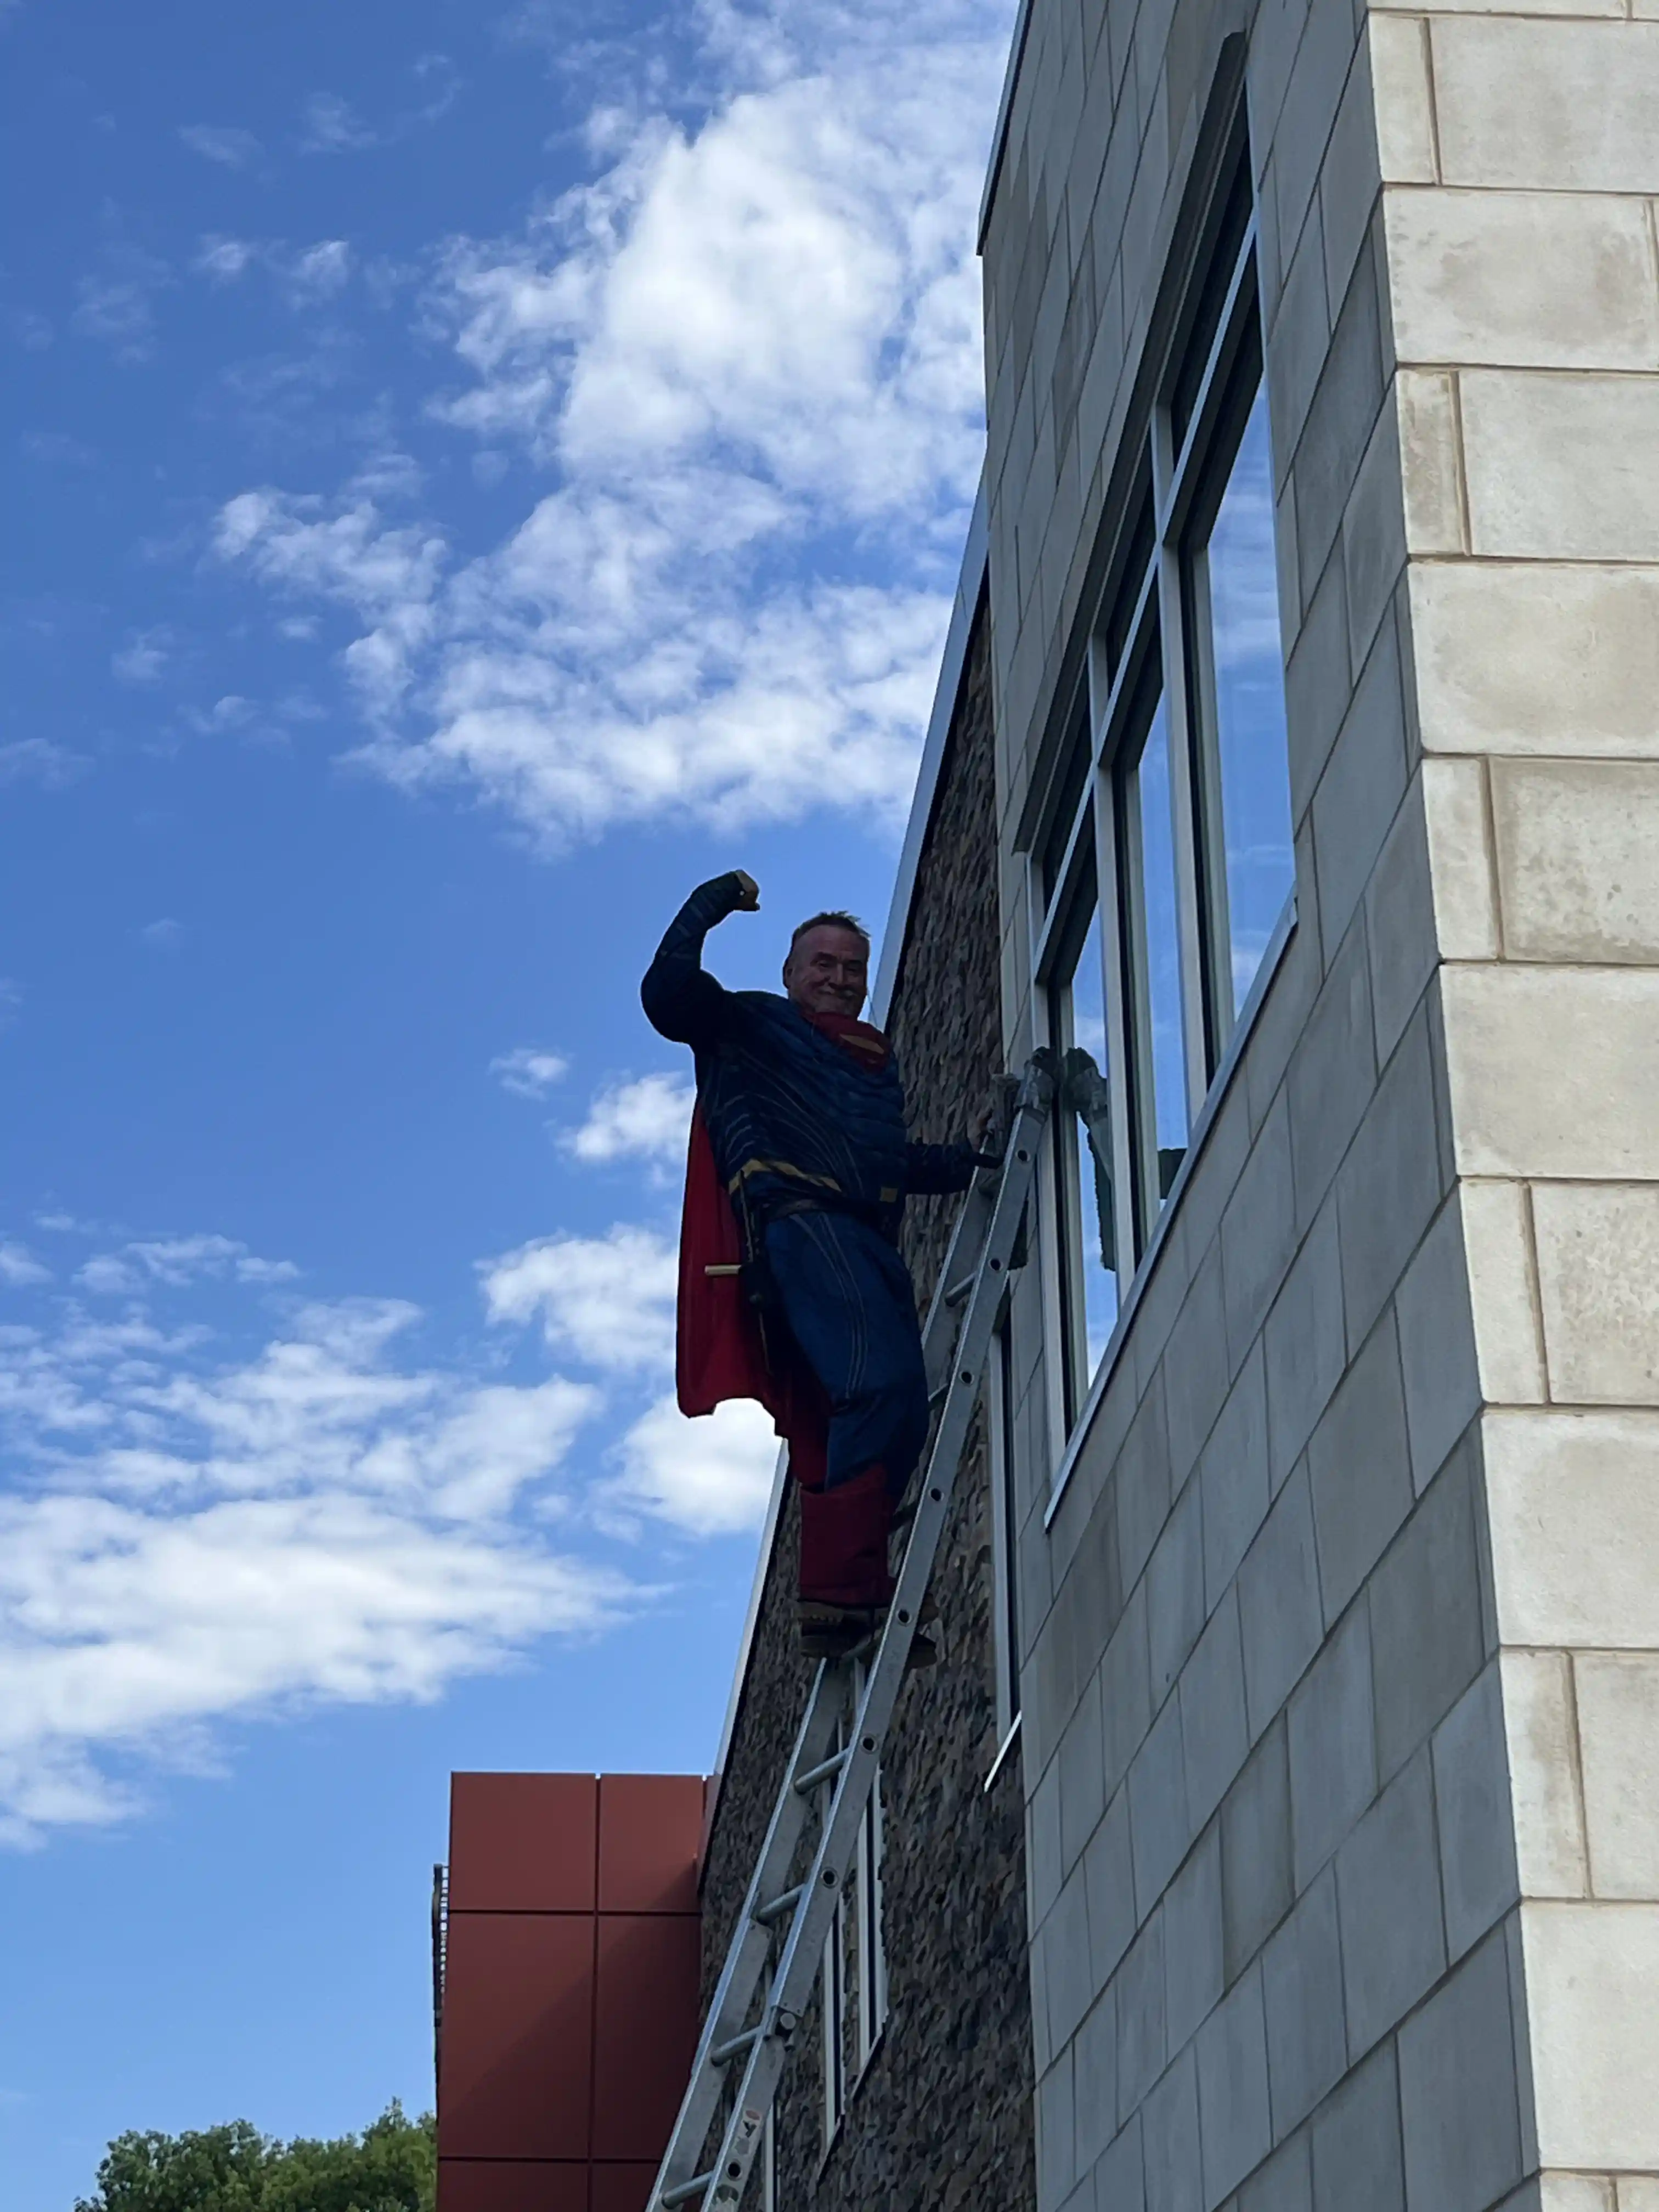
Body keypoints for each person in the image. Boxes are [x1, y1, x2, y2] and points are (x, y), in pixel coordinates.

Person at [642, 870, 995, 1658]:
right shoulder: (751, 1028)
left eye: (850, 969)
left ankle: (856, 1601)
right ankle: (836, 1602)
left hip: (866, 1240)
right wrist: (710, 902)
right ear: (791, 975)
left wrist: (969, 1163)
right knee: (879, 1384)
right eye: (822, 965)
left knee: (901, 1413)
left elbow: (885, 1161)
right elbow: (668, 996)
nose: (838, 979)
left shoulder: (872, 1062)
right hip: (802, 1231)